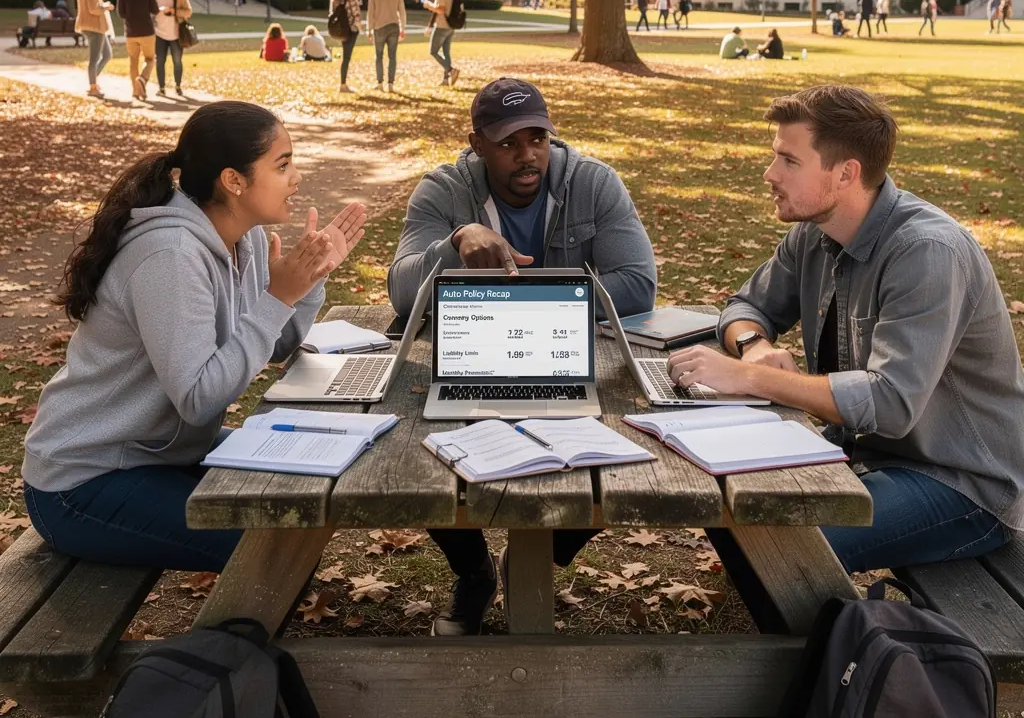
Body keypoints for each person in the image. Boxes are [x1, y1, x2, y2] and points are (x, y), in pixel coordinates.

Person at [666, 85, 1022, 628]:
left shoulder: (927, 252)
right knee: (733, 506)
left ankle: (845, 663)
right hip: (865, 453)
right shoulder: (817, 231)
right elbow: (745, 305)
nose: (770, 173)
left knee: (779, 542)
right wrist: (754, 346)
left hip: (962, 483)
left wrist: (750, 379)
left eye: (789, 160)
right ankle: (808, 642)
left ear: (845, 173)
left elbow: (890, 402)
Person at [22, 101, 368, 572]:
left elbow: (276, 344)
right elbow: (200, 397)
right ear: (234, 180)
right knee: (272, 541)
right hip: (83, 481)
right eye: (283, 164)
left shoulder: (241, 240)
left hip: (160, 451)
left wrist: (307, 281)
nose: (297, 178)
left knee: (302, 485)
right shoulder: (170, 255)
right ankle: (229, 645)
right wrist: (277, 298)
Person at [388, 77, 657, 636]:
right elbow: (400, 292)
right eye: (509, 142)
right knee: (419, 449)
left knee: (622, 447)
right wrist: (457, 239)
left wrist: (523, 303)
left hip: (567, 353)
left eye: (538, 138)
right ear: (477, 143)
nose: (528, 154)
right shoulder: (442, 190)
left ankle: (539, 556)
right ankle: (473, 572)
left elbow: (637, 284)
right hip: (472, 355)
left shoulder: (593, 183)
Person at [117, 0, 160, 101]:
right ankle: (142, 78)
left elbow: (121, 14)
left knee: (133, 61)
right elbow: (155, 9)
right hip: (147, 30)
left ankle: (136, 91)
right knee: (150, 59)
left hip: (130, 32)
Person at [74, 0, 115, 99]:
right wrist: (106, 7)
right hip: (94, 27)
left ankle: (93, 82)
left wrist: (103, 6)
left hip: (92, 27)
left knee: (107, 55)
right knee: (95, 58)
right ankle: (92, 87)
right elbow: (94, 9)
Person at [152, 0, 193, 98]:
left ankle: (178, 86)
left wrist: (173, 11)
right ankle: (162, 88)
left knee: (177, 60)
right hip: (159, 33)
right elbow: (150, 13)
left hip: (176, 33)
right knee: (160, 61)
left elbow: (188, 12)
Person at [366, 0, 406, 93]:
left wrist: (369, 28)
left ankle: (379, 82)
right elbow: (402, 12)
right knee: (392, 56)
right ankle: (391, 83)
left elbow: (370, 12)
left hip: (379, 27)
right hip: (394, 26)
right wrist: (403, 27)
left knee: (379, 56)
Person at [422, 0, 461, 88]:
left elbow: (440, 9)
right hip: (451, 26)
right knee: (446, 52)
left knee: (433, 51)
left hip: (442, 25)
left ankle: (451, 70)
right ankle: (446, 80)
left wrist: (429, 6)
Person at [330, 0, 362, 93]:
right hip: (351, 29)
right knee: (347, 57)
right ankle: (343, 85)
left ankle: (343, 83)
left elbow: (332, 13)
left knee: (345, 57)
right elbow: (356, 14)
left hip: (340, 30)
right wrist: (360, 28)